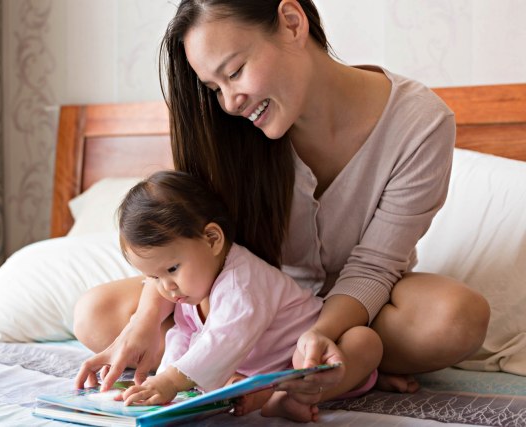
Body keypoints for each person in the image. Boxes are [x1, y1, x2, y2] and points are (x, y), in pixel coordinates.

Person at [74, 0, 491, 419]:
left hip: (363, 308)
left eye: (234, 72)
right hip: (243, 300)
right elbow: (183, 239)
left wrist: (321, 332)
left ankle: (299, 363)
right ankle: (313, 372)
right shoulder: (227, 131)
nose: (230, 103)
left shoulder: (420, 123)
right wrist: (143, 323)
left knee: (456, 317)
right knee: (96, 314)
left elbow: (374, 268)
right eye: (215, 88)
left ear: (292, 23)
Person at [75, 170, 382, 422]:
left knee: (364, 342)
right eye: (153, 277)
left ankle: (289, 396)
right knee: (215, 375)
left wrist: (169, 382)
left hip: (304, 354)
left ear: (212, 239)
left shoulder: (241, 281)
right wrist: (161, 382)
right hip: (253, 370)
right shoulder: (190, 288)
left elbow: (224, 338)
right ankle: (269, 397)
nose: (165, 286)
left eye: (172, 268)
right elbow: (184, 336)